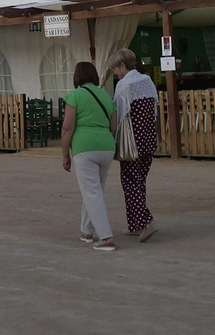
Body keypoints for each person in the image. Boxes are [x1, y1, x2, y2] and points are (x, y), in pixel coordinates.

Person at [60, 61, 117, 252]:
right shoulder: (107, 96)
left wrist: (65, 154)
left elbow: (67, 128)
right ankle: (86, 231)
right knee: (94, 190)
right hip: (107, 147)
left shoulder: (74, 96)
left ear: (77, 76)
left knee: (92, 192)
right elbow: (114, 126)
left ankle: (106, 237)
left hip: (84, 147)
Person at [111, 48, 160, 242]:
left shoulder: (123, 86)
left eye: (116, 68)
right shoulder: (147, 81)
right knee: (140, 181)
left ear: (122, 65)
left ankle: (146, 221)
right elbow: (154, 111)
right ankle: (136, 224)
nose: (115, 72)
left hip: (132, 143)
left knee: (130, 182)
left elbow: (119, 116)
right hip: (148, 138)